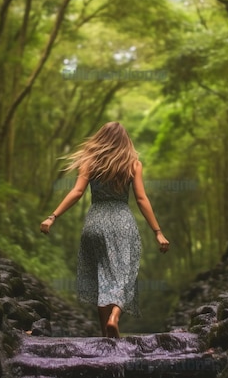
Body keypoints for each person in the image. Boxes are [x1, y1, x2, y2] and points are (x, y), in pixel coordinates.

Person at [40, 121, 169, 338]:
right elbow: (140, 198)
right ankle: (114, 317)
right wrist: (157, 231)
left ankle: (105, 337)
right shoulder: (133, 164)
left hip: (95, 222)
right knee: (124, 273)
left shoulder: (89, 162)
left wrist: (53, 216)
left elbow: (77, 192)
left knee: (101, 277)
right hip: (121, 222)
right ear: (125, 141)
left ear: (101, 138)